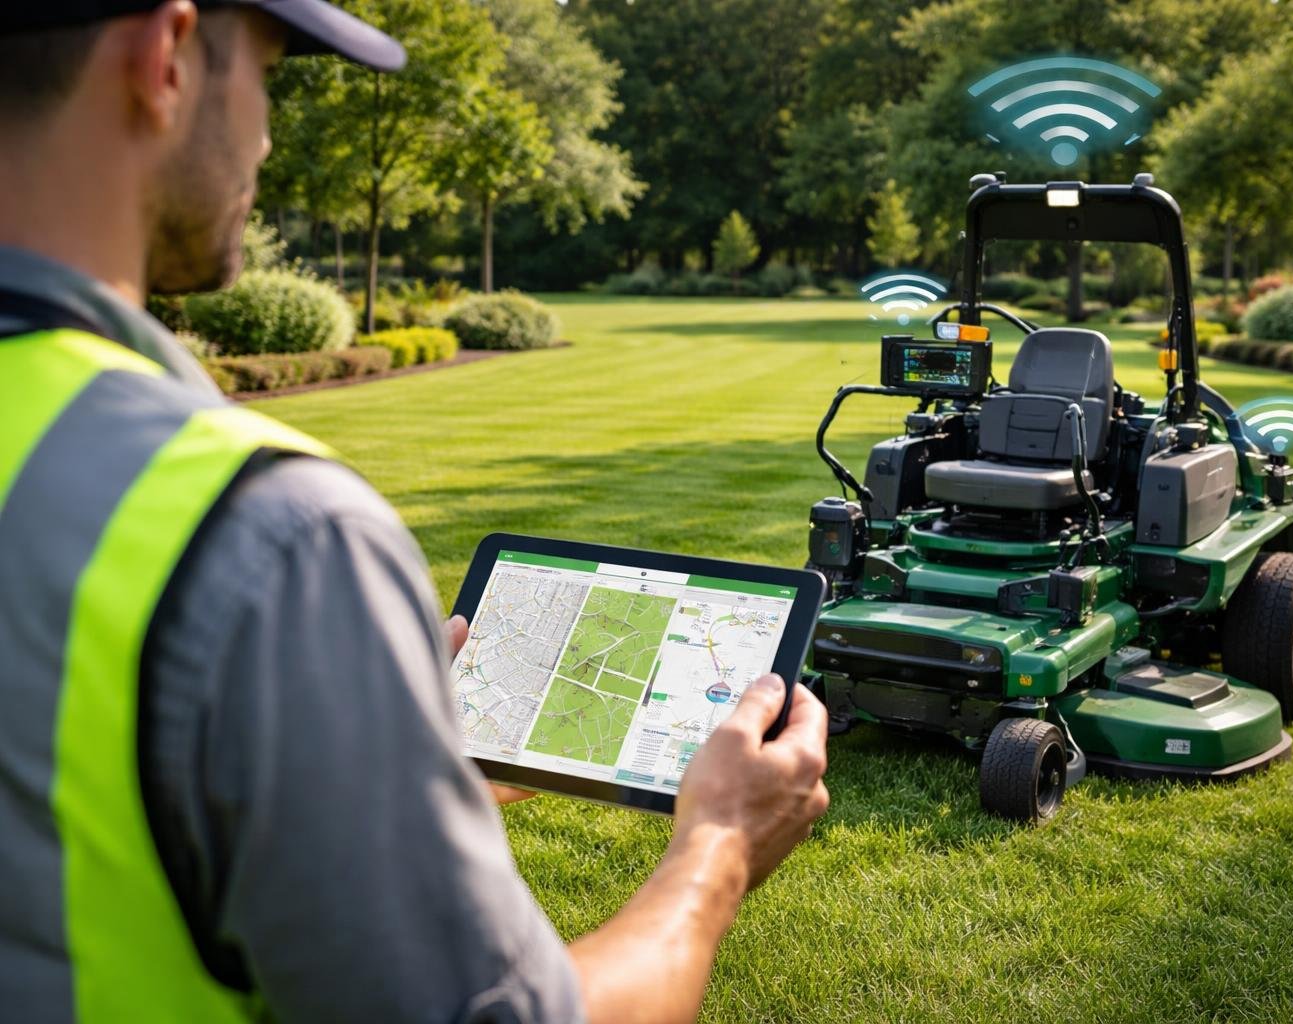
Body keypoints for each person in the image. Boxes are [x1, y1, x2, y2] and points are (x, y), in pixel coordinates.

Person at [0, 3, 830, 1022]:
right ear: (166, 55)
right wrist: (718, 850)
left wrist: (368, 777)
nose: (264, 134)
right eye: (266, 73)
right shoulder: (267, 536)